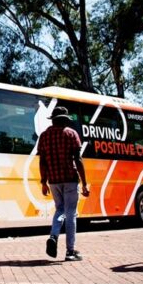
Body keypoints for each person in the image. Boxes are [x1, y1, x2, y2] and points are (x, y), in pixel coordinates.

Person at [39, 106, 89, 261]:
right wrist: (85, 183)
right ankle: (70, 251)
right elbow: (78, 160)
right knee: (71, 213)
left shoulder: (44, 136)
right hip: (70, 179)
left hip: (53, 180)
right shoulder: (71, 134)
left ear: (53, 120)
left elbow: (42, 161)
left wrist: (43, 182)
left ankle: (54, 236)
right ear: (65, 120)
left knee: (59, 209)